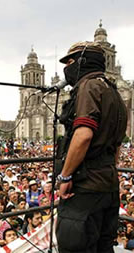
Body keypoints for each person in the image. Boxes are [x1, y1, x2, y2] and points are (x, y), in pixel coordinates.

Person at [56, 41, 128, 253]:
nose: (66, 68)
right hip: (108, 185)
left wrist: (66, 176)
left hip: (85, 187)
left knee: (76, 246)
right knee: (103, 247)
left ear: (83, 61)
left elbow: (84, 134)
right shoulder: (114, 92)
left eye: (70, 62)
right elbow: (116, 144)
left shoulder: (88, 86)